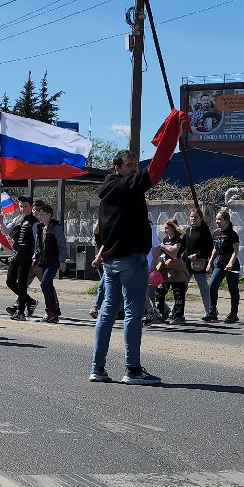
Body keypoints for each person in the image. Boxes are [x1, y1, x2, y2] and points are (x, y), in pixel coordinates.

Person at [90, 148, 164, 385]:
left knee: (108, 312)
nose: (134, 168)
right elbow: (155, 168)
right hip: (131, 258)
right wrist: (173, 132)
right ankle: (132, 369)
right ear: (117, 168)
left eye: (135, 163)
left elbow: (101, 233)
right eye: (129, 164)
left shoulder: (108, 192)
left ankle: (97, 368)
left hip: (112, 261)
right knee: (133, 312)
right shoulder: (126, 186)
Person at [4, 202, 38, 320]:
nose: (23, 209)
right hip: (16, 254)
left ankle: (20, 312)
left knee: (22, 283)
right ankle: (30, 301)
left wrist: (35, 256)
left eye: (25, 206)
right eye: (21, 206)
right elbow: (5, 231)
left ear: (30, 207)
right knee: (10, 281)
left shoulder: (34, 222)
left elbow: (36, 240)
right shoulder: (17, 218)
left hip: (26, 256)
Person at [184, 206, 217, 322]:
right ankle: (177, 310)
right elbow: (184, 246)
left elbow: (208, 249)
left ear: (201, 218)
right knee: (182, 286)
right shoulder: (188, 230)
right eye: (191, 217)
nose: (193, 219)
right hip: (187, 264)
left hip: (199, 263)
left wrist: (197, 256)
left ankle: (210, 311)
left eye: (195, 217)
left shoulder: (205, 231)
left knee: (203, 287)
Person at [33, 200, 64, 323]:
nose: (39, 217)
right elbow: (38, 245)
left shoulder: (55, 227)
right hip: (44, 261)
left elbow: (62, 245)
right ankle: (53, 312)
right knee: (48, 285)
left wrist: (62, 261)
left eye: (42, 214)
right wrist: (35, 257)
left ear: (49, 215)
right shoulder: (41, 228)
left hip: (53, 261)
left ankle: (50, 310)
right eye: (39, 214)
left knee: (44, 284)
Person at [153, 218, 188, 324]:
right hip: (166, 268)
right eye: (164, 228)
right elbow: (160, 252)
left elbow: (173, 253)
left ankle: (178, 316)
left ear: (173, 228)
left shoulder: (178, 240)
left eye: (167, 228)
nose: (165, 230)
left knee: (178, 293)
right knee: (160, 291)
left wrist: (162, 247)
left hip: (177, 268)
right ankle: (161, 313)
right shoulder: (165, 239)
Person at [212, 209, 243, 324]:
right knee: (213, 285)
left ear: (226, 221)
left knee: (233, 289)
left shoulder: (232, 234)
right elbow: (215, 249)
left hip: (232, 264)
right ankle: (212, 311)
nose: (217, 221)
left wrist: (230, 263)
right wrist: (210, 261)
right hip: (220, 263)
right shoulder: (216, 233)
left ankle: (233, 314)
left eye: (219, 219)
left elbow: (236, 251)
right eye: (216, 219)